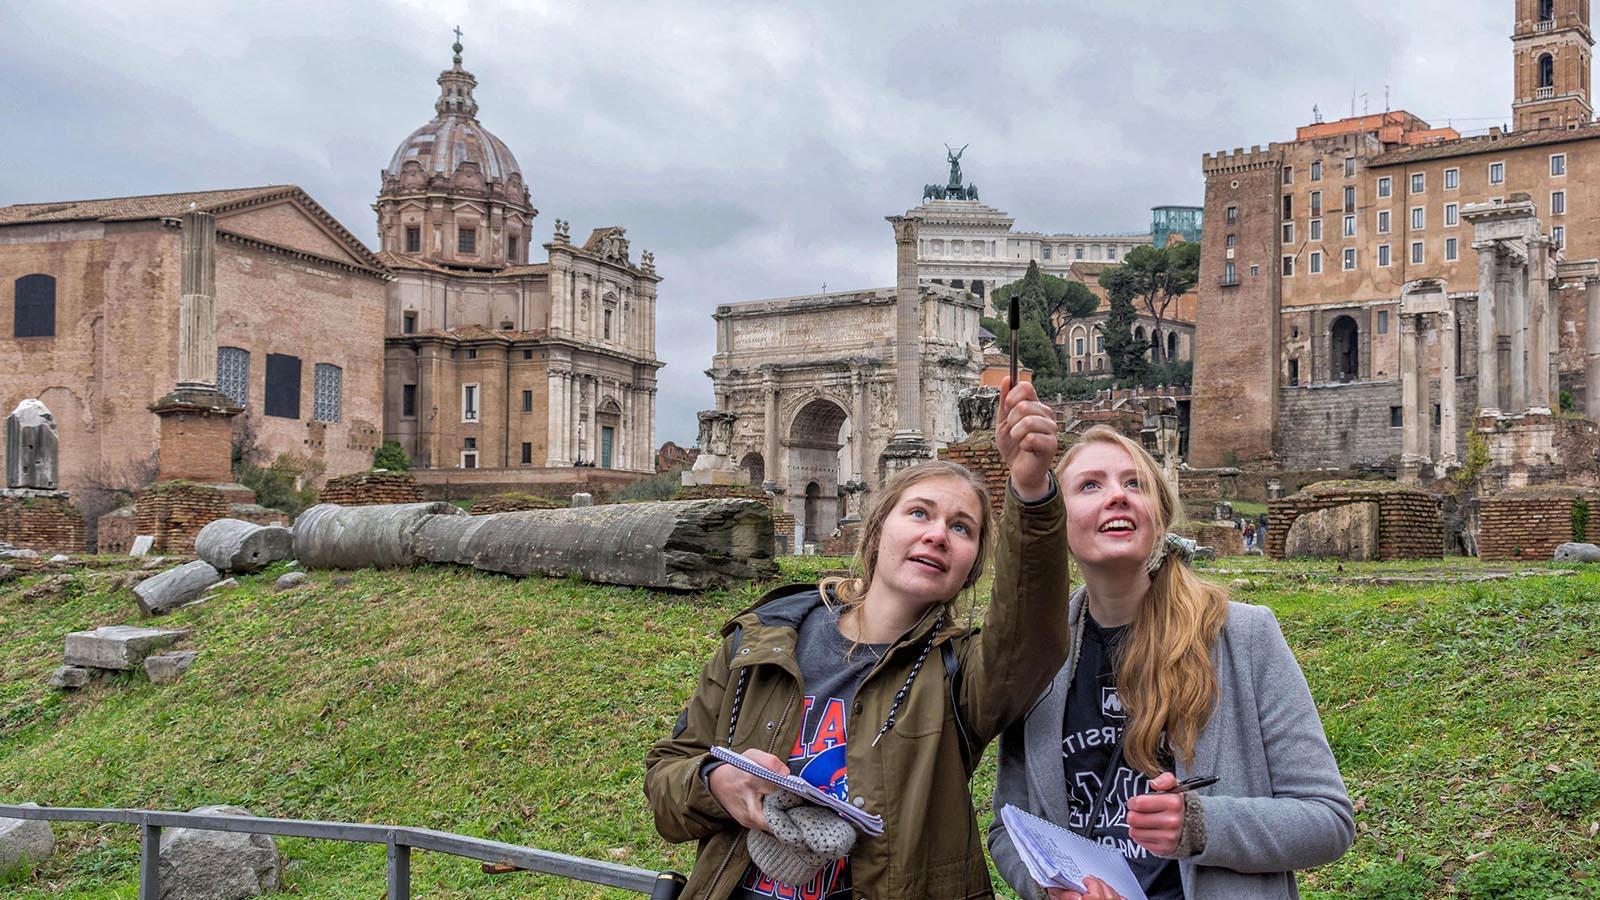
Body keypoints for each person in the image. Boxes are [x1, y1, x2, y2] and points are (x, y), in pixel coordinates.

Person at [646, 378, 1070, 899]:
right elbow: (665, 781)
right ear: (876, 532)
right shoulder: (759, 641)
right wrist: (714, 781)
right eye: (919, 512)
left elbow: (1032, 636)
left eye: (962, 528)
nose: (937, 534)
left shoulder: (963, 675)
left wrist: (1031, 492)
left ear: (972, 566)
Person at [987, 425, 1353, 900]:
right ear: (1059, 521)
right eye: (1091, 485)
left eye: (1134, 483)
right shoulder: (1039, 655)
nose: (1117, 495)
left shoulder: (1242, 636)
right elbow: (1008, 828)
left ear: (1158, 517)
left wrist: (1202, 826)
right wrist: (1052, 889)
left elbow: (1328, 819)